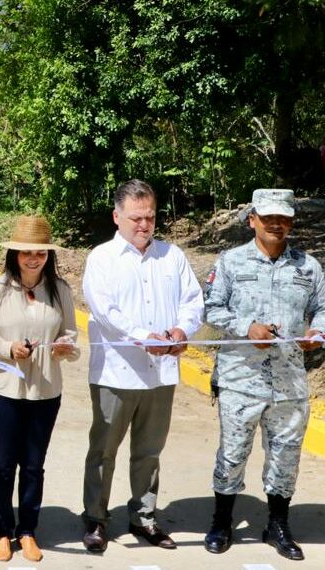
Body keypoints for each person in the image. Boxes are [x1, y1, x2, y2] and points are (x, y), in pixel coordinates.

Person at [202, 189, 325, 561]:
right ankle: (222, 521)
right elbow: (210, 309)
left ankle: (277, 525)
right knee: (232, 454)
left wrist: (318, 333)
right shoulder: (230, 262)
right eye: (268, 217)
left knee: (285, 457)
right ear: (253, 220)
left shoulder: (307, 266)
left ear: (291, 222)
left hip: (290, 382)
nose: (277, 223)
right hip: (239, 380)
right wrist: (247, 327)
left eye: (284, 218)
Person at [80, 179, 204, 552]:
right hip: (116, 372)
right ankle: (96, 519)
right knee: (104, 450)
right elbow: (105, 312)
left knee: (149, 452)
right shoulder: (101, 259)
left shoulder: (172, 256)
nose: (144, 225)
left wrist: (182, 330)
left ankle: (144, 516)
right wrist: (145, 336)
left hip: (160, 373)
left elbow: (193, 301)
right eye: (135, 218)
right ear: (117, 216)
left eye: (149, 216)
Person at [0, 215, 79, 563]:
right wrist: (8, 348)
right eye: (26, 253)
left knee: (34, 464)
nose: (34, 259)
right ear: (14, 254)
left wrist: (65, 347)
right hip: (3, 390)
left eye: (41, 253)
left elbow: (72, 339)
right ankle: (2, 531)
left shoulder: (60, 290)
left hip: (46, 390)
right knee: (4, 463)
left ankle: (28, 530)